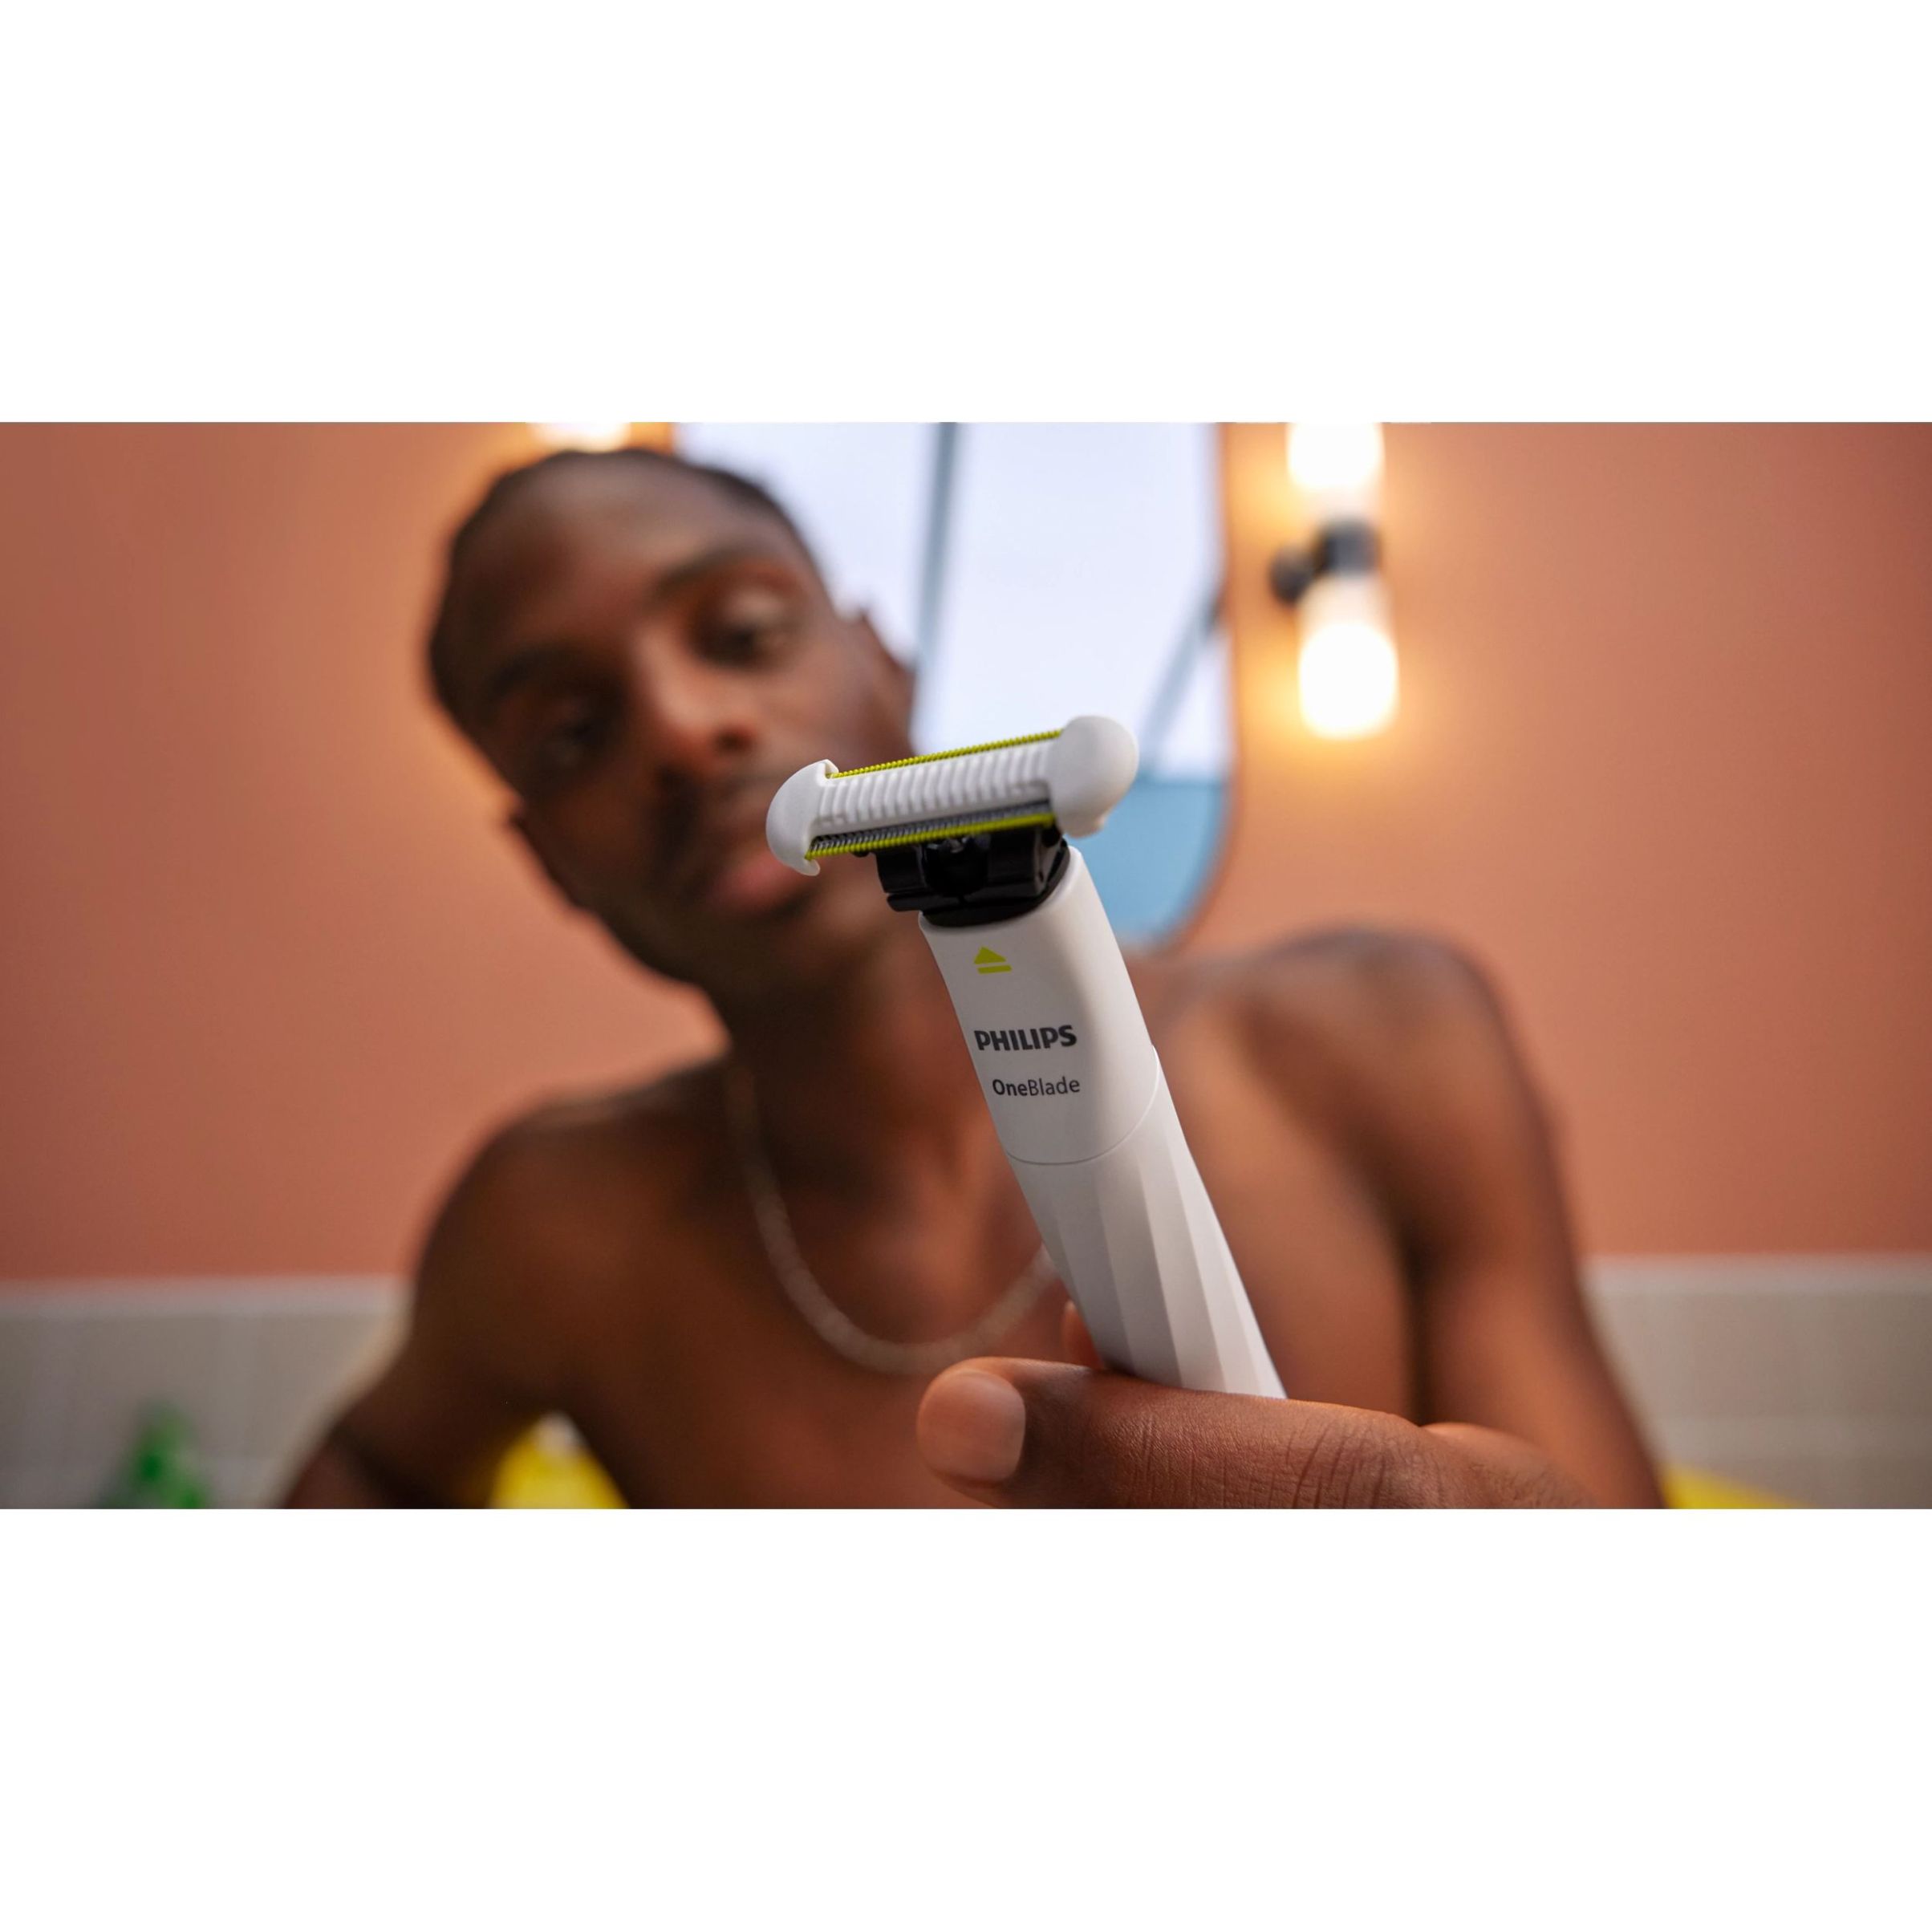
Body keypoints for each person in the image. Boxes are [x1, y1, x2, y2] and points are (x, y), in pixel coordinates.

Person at [284, 445, 1662, 1508]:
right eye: (575, 733)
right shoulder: (557, 1228)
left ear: (884, 668)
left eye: (745, 633)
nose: (685, 731)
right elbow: (370, 1473)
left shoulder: (1377, 1043)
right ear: (549, 860)